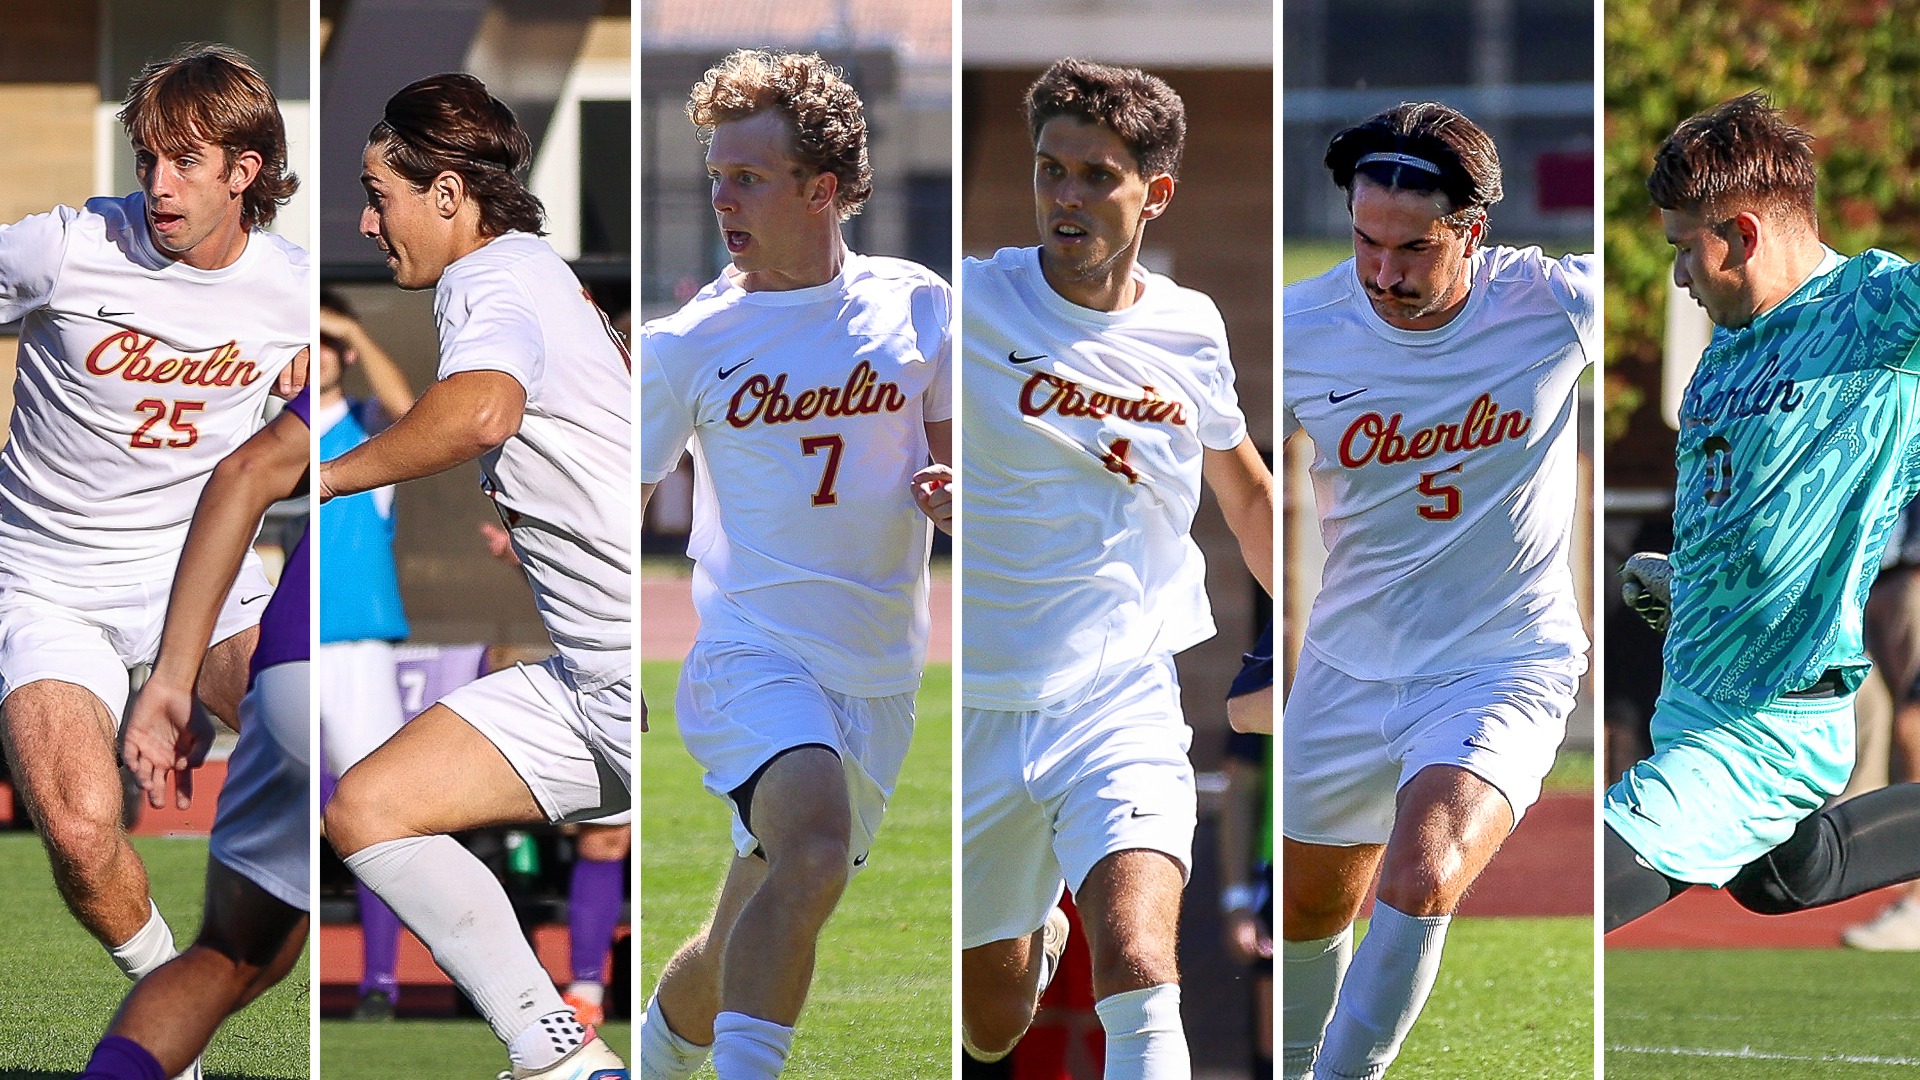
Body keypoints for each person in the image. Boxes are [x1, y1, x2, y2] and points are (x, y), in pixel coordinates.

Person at [637, 49, 951, 1080]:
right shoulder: (685, 343)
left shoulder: (919, 309)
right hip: (752, 659)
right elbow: (611, 510)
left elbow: (965, 467)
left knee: (737, 944)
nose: (721, 196)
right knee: (810, 847)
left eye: (748, 177)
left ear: (823, 189)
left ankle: (655, 1052)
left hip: (880, 679)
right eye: (715, 174)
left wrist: (962, 495)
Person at [959, 58, 1274, 1080]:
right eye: (1052, 170)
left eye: (1097, 174)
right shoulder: (967, 305)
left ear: (1156, 192)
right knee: (988, 1021)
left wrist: (1319, 641)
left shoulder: (1191, 329)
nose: (1067, 197)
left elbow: (1251, 498)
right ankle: (1036, 935)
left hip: (1123, 697)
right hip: (981, 707)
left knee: (1140, 957)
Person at [0, 45, 306, 1080]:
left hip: (202, 577)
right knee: (84, 839)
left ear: (245, 172)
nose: (159, 185)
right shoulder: (64, 249)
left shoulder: (295, 295)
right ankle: (173, 1019)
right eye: (149, 160)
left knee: (331, 756)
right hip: (45, 583)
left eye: (186, 161)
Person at [318, 72, 630, 1079]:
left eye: (380, 194)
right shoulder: (532, 269)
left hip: (633, 675)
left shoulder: (485, 281)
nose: (369, 221)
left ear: (448, 193)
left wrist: (324, 475)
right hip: (594, 674)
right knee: (369, 808)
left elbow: (480, 412)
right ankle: (558, 1057)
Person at [1281, 103, 1592, 1079]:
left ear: (1473, 230)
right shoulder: (1301, 328)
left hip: (1503, 660)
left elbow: (1726, 297)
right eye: (1366, 243)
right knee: (1309, 913)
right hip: (1346, 668)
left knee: (1420, 874)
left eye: (1412, 248)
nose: (1382, 273)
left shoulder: (1557, 304)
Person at [1608, 92, 1920, 932]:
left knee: (1585, 887)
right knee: (1784, 878)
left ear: (1742, 234)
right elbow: (1750, 525)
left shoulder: (1875, 309)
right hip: (1695, 700)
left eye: (1683, 248)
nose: (1677, 274)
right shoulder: (1720, 361)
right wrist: (1684, 583)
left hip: (1773, 714)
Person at [77, 383, 311, 1080]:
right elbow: (248, 473)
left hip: (283, 624)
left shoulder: (286, 289)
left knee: (238, 956)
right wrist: (177, 684)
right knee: (85, 836)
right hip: (61, 567)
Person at [315, 288, 416, 1020]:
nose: (309, 353)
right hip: (284, 644)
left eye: (323, 340)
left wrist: (348, 325)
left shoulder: (365, 431)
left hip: (356, 643)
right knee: (275, 812)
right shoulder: (271, 430)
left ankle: (380, 981)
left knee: (375, 812)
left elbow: (410, 410)